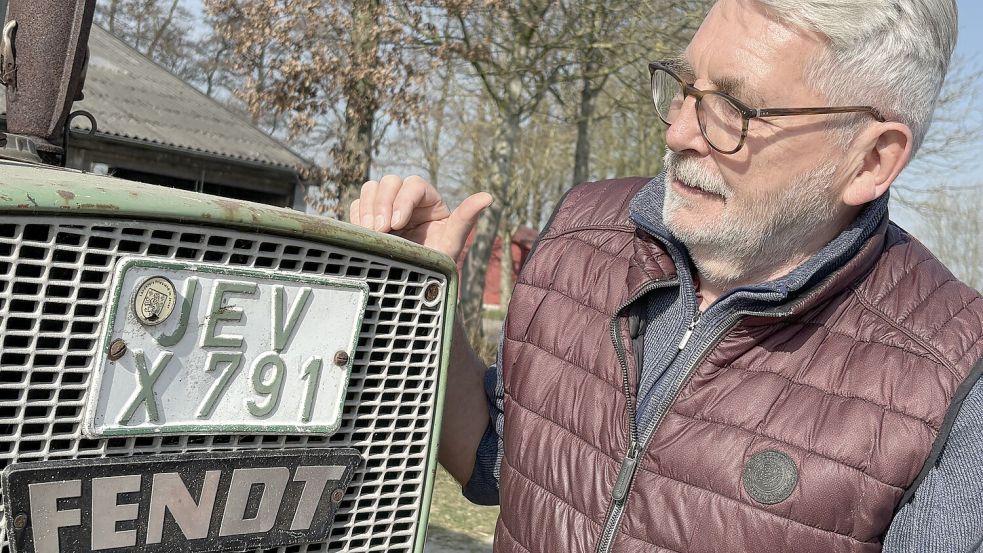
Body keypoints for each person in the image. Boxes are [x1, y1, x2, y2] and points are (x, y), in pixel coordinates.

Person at [351, 0, 983, 551]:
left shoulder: (952, 380)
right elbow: (496, 461)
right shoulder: (581, 233)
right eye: (685, 84)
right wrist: (416, 299)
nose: (680, 131)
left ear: (872, 159)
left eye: (734, 109)